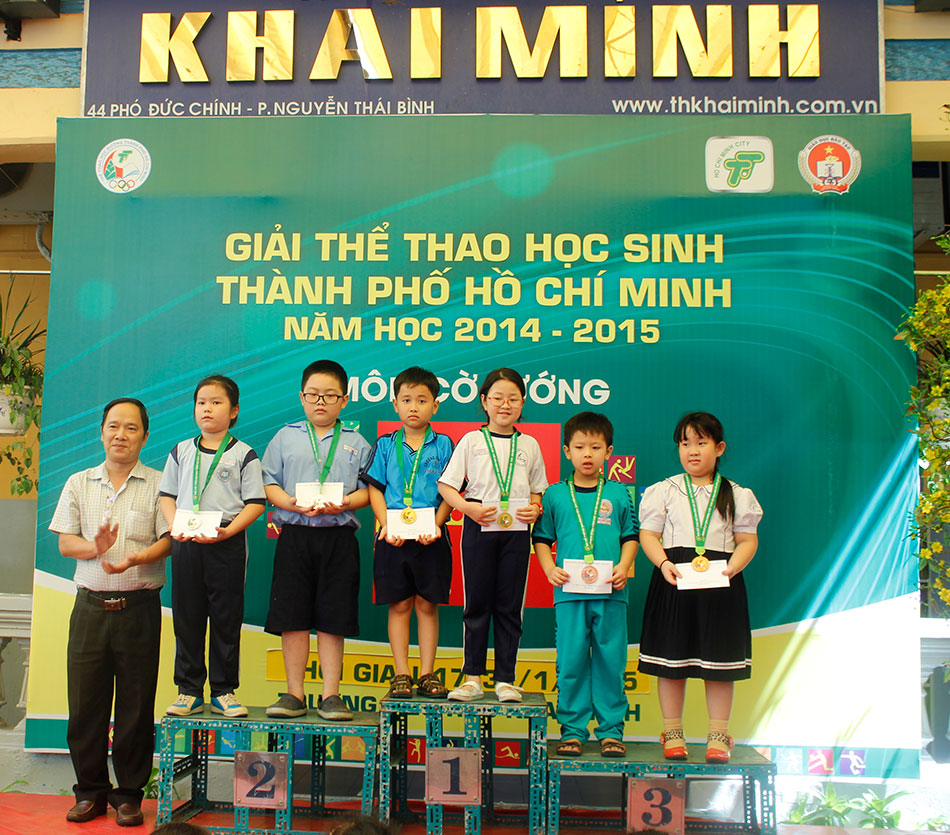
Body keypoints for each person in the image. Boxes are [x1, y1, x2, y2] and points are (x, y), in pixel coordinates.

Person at [49, 398, 172, 827]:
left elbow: (169, 540)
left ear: (145, 436)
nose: (121, 435)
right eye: (114, 426)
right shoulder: (78, 482)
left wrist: (138, 558)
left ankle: (129, 796)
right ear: (101, 432)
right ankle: (90, 793)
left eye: (131, 428)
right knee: (86, 706)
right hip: (90, 608)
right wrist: (95, 547)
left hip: (138, 608)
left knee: (136, 707)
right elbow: (65, 542)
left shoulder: (160, 484)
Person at [637, 412, 762, 763]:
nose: (693, 451)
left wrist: (733, 568)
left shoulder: (737, 493)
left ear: (719, 448)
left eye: (701, 443)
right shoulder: (664, 490)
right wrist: (663, 564)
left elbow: (747, 541)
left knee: (719, 663)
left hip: (721, 583)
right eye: (685, 443)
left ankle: (718, 736)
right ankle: (672, 733)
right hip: (674, 580)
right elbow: (648, 535)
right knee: (670, 661)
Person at [262, 359, 371, 720]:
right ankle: (294, 693)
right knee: (292, 615)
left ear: (344, 399)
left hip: (338, 538)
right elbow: (268, 483)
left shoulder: (356, 442)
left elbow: (369, 491)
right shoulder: (285, 437)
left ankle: (331, 695)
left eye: (330, 395)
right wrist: (290, 502)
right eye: (313, 395)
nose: (320, 402)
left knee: (333, 616)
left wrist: (345, 503)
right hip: (294, 535)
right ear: (302, 397)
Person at [159, 374, 266, 718]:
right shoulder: (181, 451)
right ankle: (188, 690)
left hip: (225, 542)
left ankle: (223, 691)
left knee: (225, 617)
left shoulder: (244, 454)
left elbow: (255, 503)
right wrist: (175, 525)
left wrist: (229, 531)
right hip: (187, 542)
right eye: (201, 402)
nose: (207, 409)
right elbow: (167, 495)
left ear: (234, 411)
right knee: (187, 616)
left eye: (216, 402)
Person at [438, 368, 548, 702]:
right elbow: (446, 486)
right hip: (479, 528)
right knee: (477, 603)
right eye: (497, 398)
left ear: (522, 403)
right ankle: (472, 678)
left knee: (510, 605)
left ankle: (505, 679)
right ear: (484, 401)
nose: (505, 405)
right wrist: (466, 508)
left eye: (513, 399)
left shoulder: (529, 444)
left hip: (516, 532)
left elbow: (537, 490)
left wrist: (535, 508)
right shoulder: (471, 441)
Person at [533, 412, 639, 757]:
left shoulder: (619, 493)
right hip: (569, 592)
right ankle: (573, 730)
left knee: (611, 661)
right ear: (567, 451)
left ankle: (611, 731)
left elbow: (631, 536)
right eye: (579, 447)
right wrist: (549, 568)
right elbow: (541, 538)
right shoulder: (554, 494)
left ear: (609, 451)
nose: (587, 454)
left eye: (595, 447)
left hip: (611, 591)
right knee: (571, 661)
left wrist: (624, 566)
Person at [362, 366, 454, 699]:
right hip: (394, 537)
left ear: (435, 406)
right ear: (395, 404)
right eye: (406, 400)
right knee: (399, 605)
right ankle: (401, 672)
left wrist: (438, 524)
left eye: (422, 400)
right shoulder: (386, 445)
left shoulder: (444, 445)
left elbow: (450, 490)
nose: (414, 407)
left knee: (427, 605)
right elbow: (374, 488)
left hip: (432, 537)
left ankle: (428, 672)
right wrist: (386, 524)